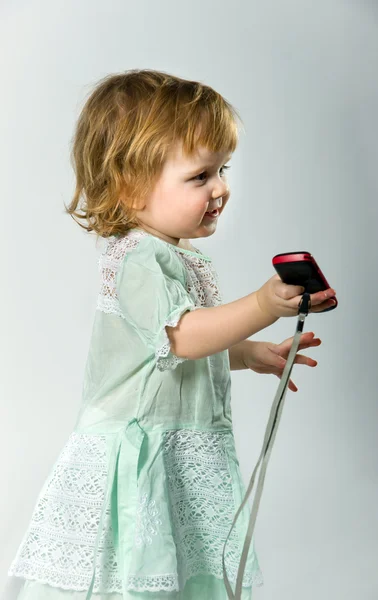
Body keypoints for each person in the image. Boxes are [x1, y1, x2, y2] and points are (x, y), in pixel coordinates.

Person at [2, 69, 336, 600]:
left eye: (222, 170)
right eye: (200, 176)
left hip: (179, 449)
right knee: (133, 575)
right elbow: (180, 338)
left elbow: (175, 353)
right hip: (139, 458)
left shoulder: (180, 258)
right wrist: (262, 305)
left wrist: (252, 354)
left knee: (178, 570)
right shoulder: (137, 259)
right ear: (131, 186)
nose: (222, 187)